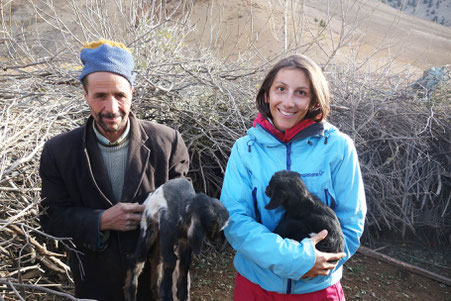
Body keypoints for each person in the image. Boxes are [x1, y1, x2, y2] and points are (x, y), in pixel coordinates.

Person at [39, 39, 190, 301]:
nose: (111, 108)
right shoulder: (58, 151)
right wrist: (101, 220)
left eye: (120, 95)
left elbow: (187, 213)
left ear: (132, 91)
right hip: (98, 287)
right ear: (85, 95)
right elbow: (51, 219)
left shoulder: (168, 142)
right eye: (100, 96)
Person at [220, 54, 367, 300]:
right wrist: (296, 260)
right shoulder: (245, 149)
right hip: (257, 286)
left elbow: (350, 224)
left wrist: (322, 264)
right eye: (281, 89)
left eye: (301, 92)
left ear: (313, 101)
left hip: (318, 288)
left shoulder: (339, 147)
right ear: (267, 94)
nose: (288, 102)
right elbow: (235, 219)